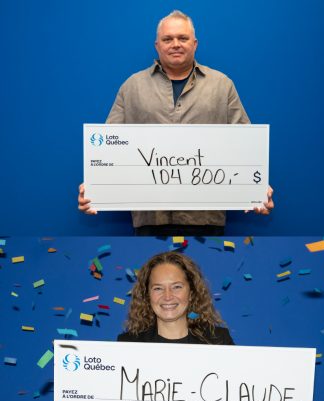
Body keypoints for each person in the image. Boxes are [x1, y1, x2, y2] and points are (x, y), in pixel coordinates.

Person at [46, 251, 315, 401]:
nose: (168, 297)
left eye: (177, 286)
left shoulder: (219, 342)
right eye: (158, 288)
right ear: (146, 295)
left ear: (191, 291)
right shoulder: (127, 345)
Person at [77, 10, 274, 236]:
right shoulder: (132, 87)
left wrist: (257, 188)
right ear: (157, 45)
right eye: (167, 39)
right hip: (149, 217)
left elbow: (244, 144)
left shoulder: (222, 85)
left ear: (195, 44)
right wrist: (95, 186)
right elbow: (110, 146)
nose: (175, 44)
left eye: (183, 38)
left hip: (206, 217)